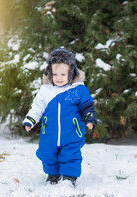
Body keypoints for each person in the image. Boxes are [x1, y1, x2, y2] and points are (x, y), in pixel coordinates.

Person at [22, 48, 97, 186]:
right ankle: (53, 174)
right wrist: (30, 120)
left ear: (71, 72)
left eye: (63, 74)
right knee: (47, 153)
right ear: (49, 73)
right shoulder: (46, 90)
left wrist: (90, 118)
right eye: (55, 74)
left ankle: (69, 177)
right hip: (49, 133)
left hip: (72, 133)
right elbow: (37, 107)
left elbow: (87, 105)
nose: (59, 77)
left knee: (70, 154)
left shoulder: (78, 89)